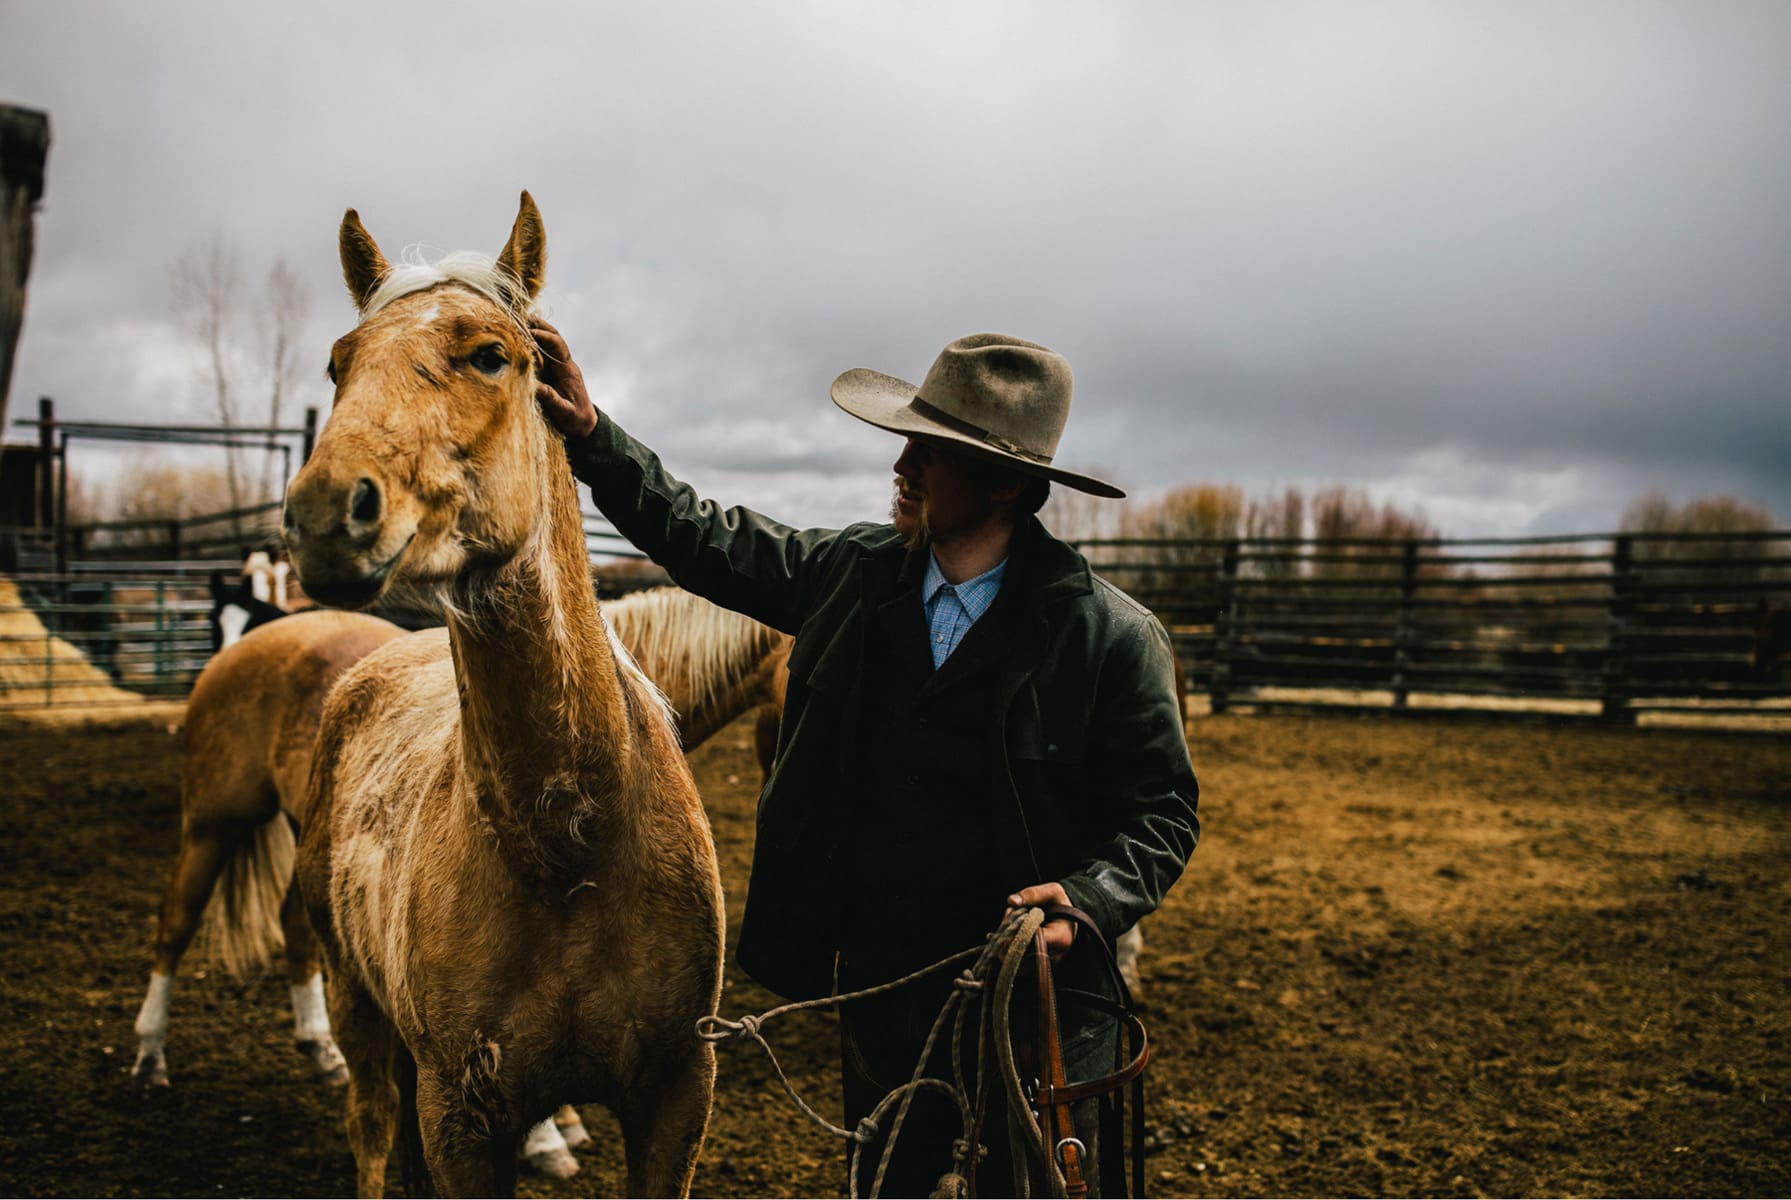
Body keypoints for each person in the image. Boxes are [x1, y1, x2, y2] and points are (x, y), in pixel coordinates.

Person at [532, 325, 1198, 1197]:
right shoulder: (851, 573)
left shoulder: (1109, 638)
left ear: (1003, 485)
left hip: (1040, 996)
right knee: (884, 1179)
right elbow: (702, 537)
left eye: (931, 450)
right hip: (885, 986)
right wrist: (592, 437)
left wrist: (1092, 899)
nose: (904, 464)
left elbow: (1163, 813)